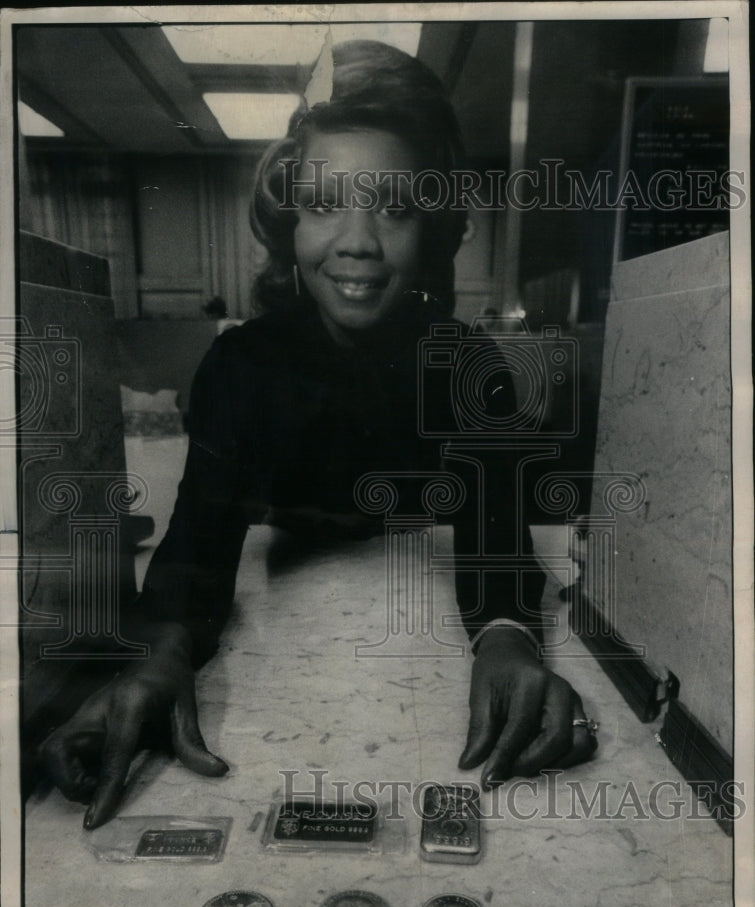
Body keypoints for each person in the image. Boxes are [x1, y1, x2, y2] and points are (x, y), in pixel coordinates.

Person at [40, 40, 597, 829]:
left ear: (433, 227)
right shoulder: (240, 367)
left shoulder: (468, 366)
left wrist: (509, 640)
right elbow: (196, 549)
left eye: (395, 207)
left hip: (404, 618)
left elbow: (497, 543)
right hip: (288, 613)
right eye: (325, 203)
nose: (358, 242)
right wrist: (162, 651)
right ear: (287, 221)